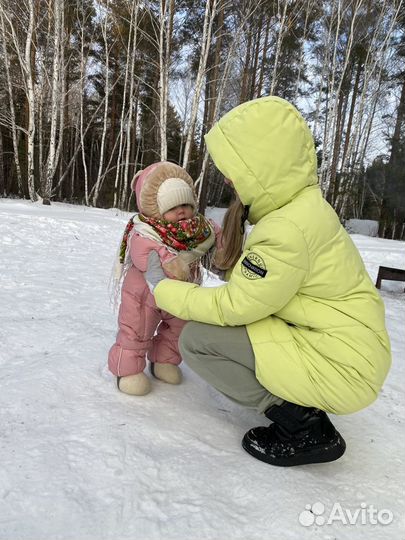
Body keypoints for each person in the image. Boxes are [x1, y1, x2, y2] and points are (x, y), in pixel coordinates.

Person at [145, 96, 392, 467]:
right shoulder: (305, 209)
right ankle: (301, 404)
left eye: (234, 168)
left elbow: (234, 306)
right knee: (240, 326)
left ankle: (303, 426)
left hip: (342, 365)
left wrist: (163, 289)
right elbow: (264, 288)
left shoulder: (285, 229)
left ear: (261, 167)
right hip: (347, 349)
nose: (228, 178)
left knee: (198, 341)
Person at [108, 161, 221, 396]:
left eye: (186, 204)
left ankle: (164, 361)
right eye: (172, 206)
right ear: (157, 210)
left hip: (182, 293)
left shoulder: (200, 231)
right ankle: (127, 370)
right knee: (137, 330)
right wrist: (174, 267)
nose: (181, 211)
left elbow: (219, 245)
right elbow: (151, 265)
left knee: (178, 328)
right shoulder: (144, 233)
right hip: (145, 294)